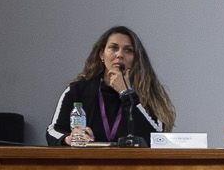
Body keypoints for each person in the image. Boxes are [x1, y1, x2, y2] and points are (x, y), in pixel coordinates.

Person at [46, 26, 176, 146]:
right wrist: (70, 138)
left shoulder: (148, 91)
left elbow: (157, 138)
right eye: (114, 48)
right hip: (87, 166)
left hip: (134, 168)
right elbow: (53, 131)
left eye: (128, 50)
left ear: (135, 58)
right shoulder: (78, 90)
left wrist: (126, 93)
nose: (119, 55)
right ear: (102, 54)